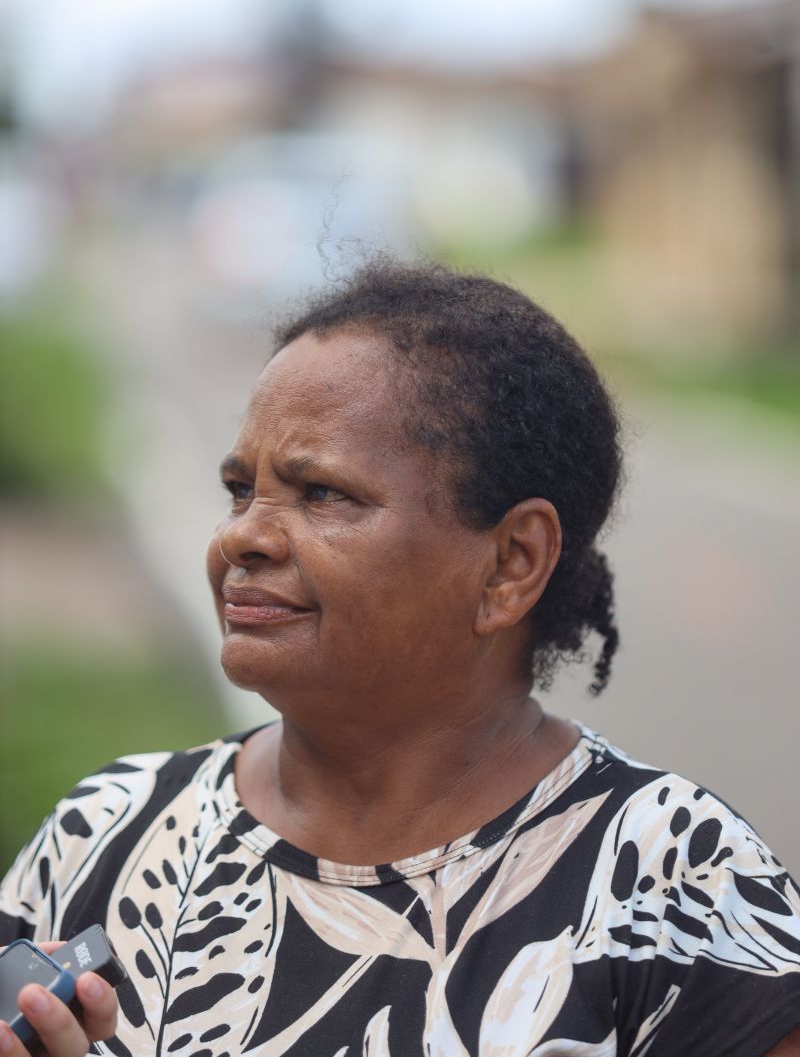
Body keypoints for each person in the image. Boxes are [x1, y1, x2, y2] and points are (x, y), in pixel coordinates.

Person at [1, 260, 799, 1057]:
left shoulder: (678, 883)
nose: (242, 535)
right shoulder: (108, 831)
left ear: (511, 564)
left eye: (322, 494)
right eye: (241, 489)